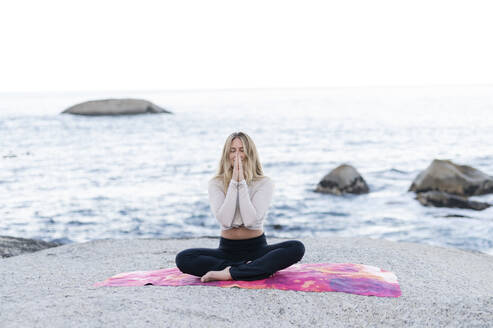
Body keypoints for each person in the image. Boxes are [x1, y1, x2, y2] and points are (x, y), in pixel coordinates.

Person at [175, 131, 305, 282]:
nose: (237, 155)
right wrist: (234, 183)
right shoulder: (215, 183)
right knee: (183, 258)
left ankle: (229, 273)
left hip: (257, 249)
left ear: (250, 153)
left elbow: (250, 221)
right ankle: (251, 269)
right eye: (232, 150)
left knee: (296, 247)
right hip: (227, 250)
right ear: (226, 154)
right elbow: (226, 221)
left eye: (242, 150)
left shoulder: (264, 183)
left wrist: (241, 182)